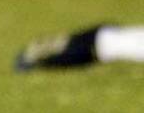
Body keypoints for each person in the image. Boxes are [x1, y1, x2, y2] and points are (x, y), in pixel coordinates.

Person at [15, 23, 144, 71]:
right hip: (99, 47)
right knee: (64, 56)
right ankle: (34, 61)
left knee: (69, 44)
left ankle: (35, 58)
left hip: (105, 33)